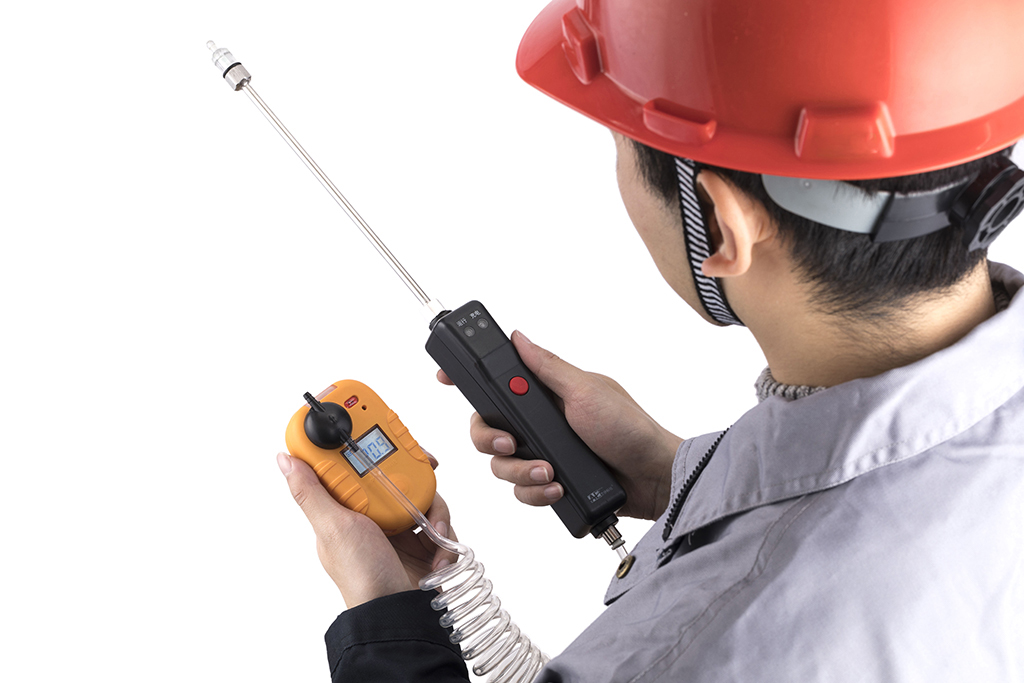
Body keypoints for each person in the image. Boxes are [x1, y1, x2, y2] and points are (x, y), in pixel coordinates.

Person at [276, 0, 1024, 680]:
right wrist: (680, 482)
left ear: (720, 226)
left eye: (621, 144)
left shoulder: (688, 654)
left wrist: (386, 617)